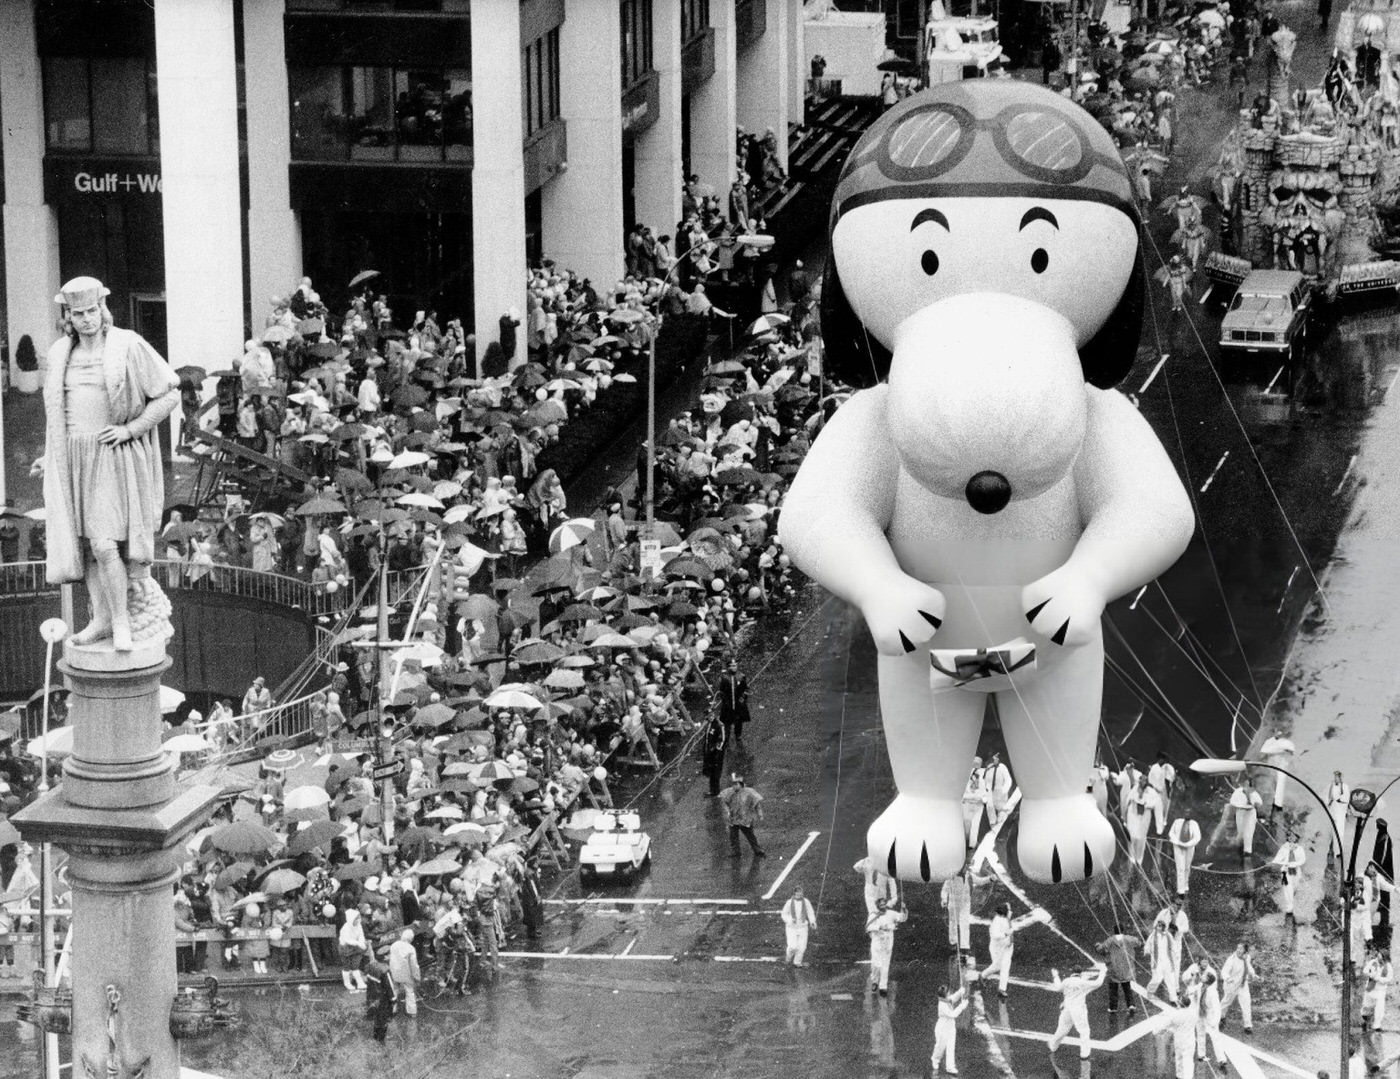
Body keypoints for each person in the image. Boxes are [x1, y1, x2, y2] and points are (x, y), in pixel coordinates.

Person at [35, 276, 180, 650]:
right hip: (72, 457)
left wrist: (131, 429)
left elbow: (168, 395)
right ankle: (99, 619)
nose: (87, 320)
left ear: (103, 309)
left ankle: (121, 623)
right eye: (78, 313)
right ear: (68, 316)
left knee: (103, 544)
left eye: (92, 310)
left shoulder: (127, 345)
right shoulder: (59, 353)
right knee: (83, 545)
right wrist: (49, 455)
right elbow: (59, 413)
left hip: (111, 454)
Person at [1047, 965, 1106, 1060]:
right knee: (1084, 1031)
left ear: (1072, 972)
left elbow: (1058, 988)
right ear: (1081, 973)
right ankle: (1084, 1054)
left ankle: (1053, 1045)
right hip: (1078, 1009)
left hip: (1067, 1008)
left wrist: (1056, 976)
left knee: (1062, 1028)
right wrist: (1103, 972)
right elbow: (1098, 983)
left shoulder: (1066, 981)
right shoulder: (1083, 983)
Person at [941, 863, 992, 955]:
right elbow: (945, 889)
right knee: (953, 923)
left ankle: (964, 947)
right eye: (965, 866)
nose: (967, 868)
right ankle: (953, 943)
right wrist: (944, 899)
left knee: (964, 924)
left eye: (967, 866)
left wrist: (989, 879)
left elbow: (979, 881)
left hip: (965, 903)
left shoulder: (969, 875)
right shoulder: (951, 876)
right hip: (954, 903)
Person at [1096, 924, 1143, 1014]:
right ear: (1123, 930)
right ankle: (1131, 1005)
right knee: (1127, 987)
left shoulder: (1109, 941)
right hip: (1126, 967)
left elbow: (1102, 950)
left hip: (1114, 968)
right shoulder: (1129, 939)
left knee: (1113, 988)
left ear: (1114, 931)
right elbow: (1139, 943)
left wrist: (1097, 946)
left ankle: (1113, 1007)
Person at [865, 897, 906, 996]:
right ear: (878, 906)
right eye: (881, 905)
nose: (883, 906)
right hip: (877, 943)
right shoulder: (873, 915)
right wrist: (879, 927)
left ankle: (883, 987)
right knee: (876, 964)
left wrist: (903, 909)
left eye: (884, 904)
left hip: (887, 943)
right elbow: (868, 927)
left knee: (885, 965)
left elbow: (902, 918)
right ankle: (874, 980)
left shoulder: (891, 913)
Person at [720, 774, 766, 857]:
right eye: (732, 784)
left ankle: (757, 850)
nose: (733, 786)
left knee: (750, 835)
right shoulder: (729, 792)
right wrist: (727, 811)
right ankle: (736, 851)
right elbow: (724, 802)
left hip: (745, 818)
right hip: (733, 818)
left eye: (735, 784)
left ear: (740, 784)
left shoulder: (749, 792)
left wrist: (760, 814)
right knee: (733, 836)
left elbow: (757, 804)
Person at [930, 984, 968, 1074]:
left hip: (951, 1028)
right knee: (940, 1047)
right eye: (948, 992)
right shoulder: (942, 1005)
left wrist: (960, 992)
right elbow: (953, 1014)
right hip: (942, 1029)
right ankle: (935, 1059)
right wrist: (962, 1006)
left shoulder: (945, 999)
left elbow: (953, 998)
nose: (949, 993)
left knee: (951, 1047)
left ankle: (950, 1067)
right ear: (945, 995)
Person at [1142, 920, 1182, 1005]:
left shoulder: (1168, 935)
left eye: (1161, 926)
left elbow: (1173, 945)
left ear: (1163, 927)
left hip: (1167, 960)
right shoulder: (1153, 936)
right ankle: (1149, 992)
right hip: (1157, 962)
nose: (1159, 927)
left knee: (1170, 980)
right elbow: (1147, 945)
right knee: (1156, 979)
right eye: (1158, 925)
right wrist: (1147, 950)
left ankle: (1173, 999)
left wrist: (1176, 954)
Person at [1219, 941, 1256, 1033]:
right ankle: (1220, 1017)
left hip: (1243, 985)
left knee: (1246, 1003)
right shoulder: (1231, 960)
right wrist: (1227, 978)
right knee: (1226, 1002)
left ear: (1245, 951)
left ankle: (1248, 1026)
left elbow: (1248, 966)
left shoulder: (1247, 957)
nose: (1238, 950)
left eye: (1241, 948)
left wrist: (1253, 974)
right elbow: (1224, 971)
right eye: (1237, 948)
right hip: (1231, 985)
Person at [1124, 774, 1160, 867]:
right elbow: (1128, 800)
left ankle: (1139, 858)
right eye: (1141, 781)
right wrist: (1124, 816)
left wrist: (1146, 804)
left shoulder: (1152, 792)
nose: (1142, 783)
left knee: (1141, 837)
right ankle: (1131, 857)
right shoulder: (1135, 788)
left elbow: (1156, 805)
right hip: (1133, 814)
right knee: (1131, 836)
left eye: (1144, 781)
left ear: (1147, 782)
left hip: (1144, 816)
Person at [363, 948, 397, 1044]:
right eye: (389, 954)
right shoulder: (385, 970)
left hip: (372, 998)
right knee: (383, 1021)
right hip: (383, 1000)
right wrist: (394, 1002)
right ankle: (381, 1042)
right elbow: (390, 987)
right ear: (385, 956)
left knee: (377, 1019)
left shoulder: (370, 966)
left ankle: (375, 1038)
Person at [1259, 729, 1295, 817]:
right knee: (1272, 787)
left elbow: (1290, 751)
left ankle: (1278, 808)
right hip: (1272, 768)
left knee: (1280, 786)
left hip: (1282, 767)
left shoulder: (1288, 743)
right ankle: (1271, 809)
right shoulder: (1270, 741)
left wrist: (1279, 750)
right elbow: (1263, 751)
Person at [716, 659, 751, 745]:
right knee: (727, 722)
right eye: (731, 666)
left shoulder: (741, 676)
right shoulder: (724, 678)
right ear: (728, 667)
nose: (733, 668)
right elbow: (721, 691)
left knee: (738, 721)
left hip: (739, 704)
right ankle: (725, 736)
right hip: (728, 704)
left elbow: (745, 689)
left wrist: (743, 698)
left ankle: (738, 735)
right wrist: (724, 700)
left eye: (734, 665)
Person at [387, 927, 420, 1017]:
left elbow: (391, 959)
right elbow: (414, 965)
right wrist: (417, 977)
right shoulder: (411, 948)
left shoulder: (394, 945)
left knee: (394, 990)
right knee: (409, 991)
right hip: (406, 974)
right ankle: (411, 1012)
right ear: (411, 939)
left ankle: (392, 1009)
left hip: (394, 972)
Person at [1272, 833, 1305, 920]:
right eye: (1289, 836)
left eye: (1293, 836)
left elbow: (1302, 860)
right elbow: (1277, 859)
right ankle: (1289, 907)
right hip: (1286, 872)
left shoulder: (1299, 849)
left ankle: (1292, 900)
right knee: (1287, 888)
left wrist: (1294, 864)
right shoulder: (1284, 848)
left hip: (1296, 871)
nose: (1291, 838)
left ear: (1296, 838)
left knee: (1295, 888)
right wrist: (1281, 862)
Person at [781, 887, 817, 967]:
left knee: (802, 947)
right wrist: (790, 920)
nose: (799, 894)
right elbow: (784, 914)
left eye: (800, 892)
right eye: (797, 892)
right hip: (791, 927)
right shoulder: (789, 902)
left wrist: (812, 921)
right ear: (794, 893)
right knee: (792, 946)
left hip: (803, 927)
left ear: (802, 893)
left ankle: (797, 962)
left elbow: (810, 912)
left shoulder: (806, 902)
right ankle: (788, 959)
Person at [1167, 815, 1201, 897]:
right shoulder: (1177, 822)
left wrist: (1187, 844)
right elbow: (1171, 833)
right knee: (1180, 868)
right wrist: (1178, 842)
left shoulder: (1194, 824)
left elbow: (1197, 837)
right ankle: (1180, 891)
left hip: (1189, 848)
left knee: (1187, 867)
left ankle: (1185, 885)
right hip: (1178, 847)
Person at [1230, 777, 1263, 855]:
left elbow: (1259, 803)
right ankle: (1239, 848)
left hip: (1250, 813)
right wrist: (1240, 805)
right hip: (1240, 812)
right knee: (1241, 831)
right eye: (1244, 782)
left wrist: (1255, 804)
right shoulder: (1237, 792)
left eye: (1247, 783)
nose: (1246, 784)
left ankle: (1248, 851)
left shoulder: (1253, 792)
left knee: (1249, 832)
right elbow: (1232, 801)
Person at [701, 713, 728, 797]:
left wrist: (716, 750)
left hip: (716, 754)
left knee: (715, 772)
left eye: (711, 715)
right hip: (709, 752)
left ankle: (715, 791)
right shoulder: (709, 724)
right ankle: (713, 789)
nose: (710, 717)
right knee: (711, 771)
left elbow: (722, 740)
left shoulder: (719, 725)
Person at [1328, 771, 1351, 856]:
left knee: (1339, 831)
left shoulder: (1345, 786)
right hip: (1333, 810)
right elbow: (1330, 797)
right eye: (1334, 777)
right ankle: (1332, 850)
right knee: (1332, 831)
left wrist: (1339, 799)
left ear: (1340, 778)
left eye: (1337, 777)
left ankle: (1338, 851)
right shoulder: (1332, 786)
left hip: (1341, 812)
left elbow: (1346, 798)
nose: (1335, 779)